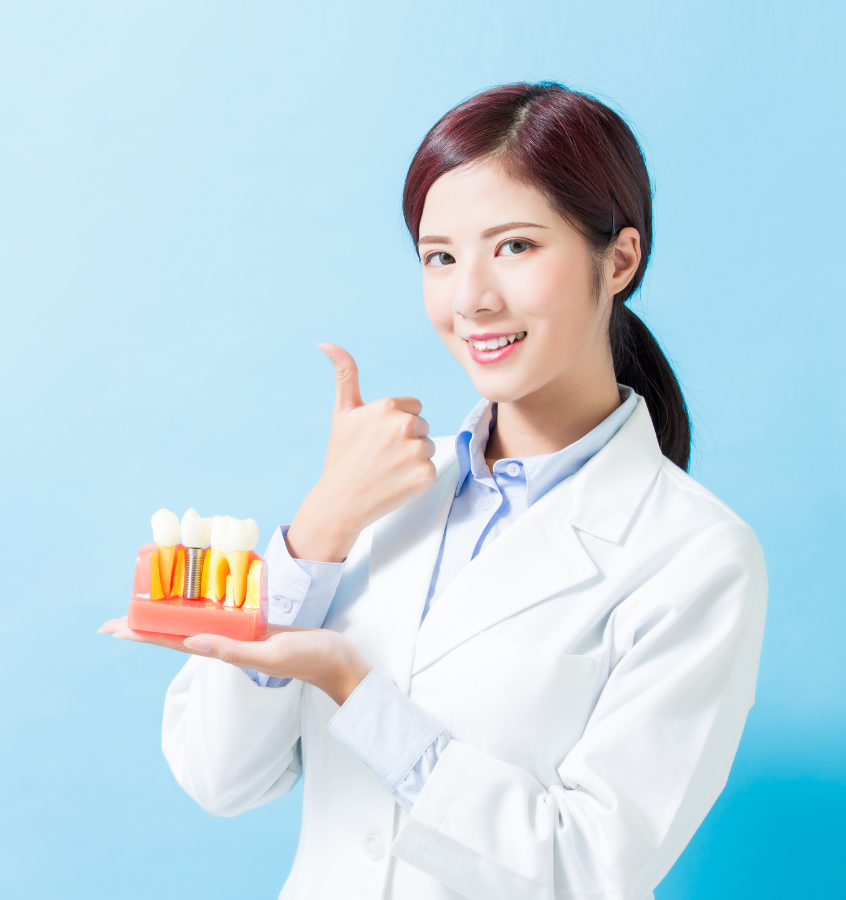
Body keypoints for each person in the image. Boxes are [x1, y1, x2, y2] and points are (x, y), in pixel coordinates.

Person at [100, 82, 767, 900]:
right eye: (440, 256)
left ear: (619, 259)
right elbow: (218, 775)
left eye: (516, 247)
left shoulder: (695, 558)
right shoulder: (378, 500)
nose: (471, 299)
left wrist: (355, 689)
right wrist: (317, 531)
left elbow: (590, 868)